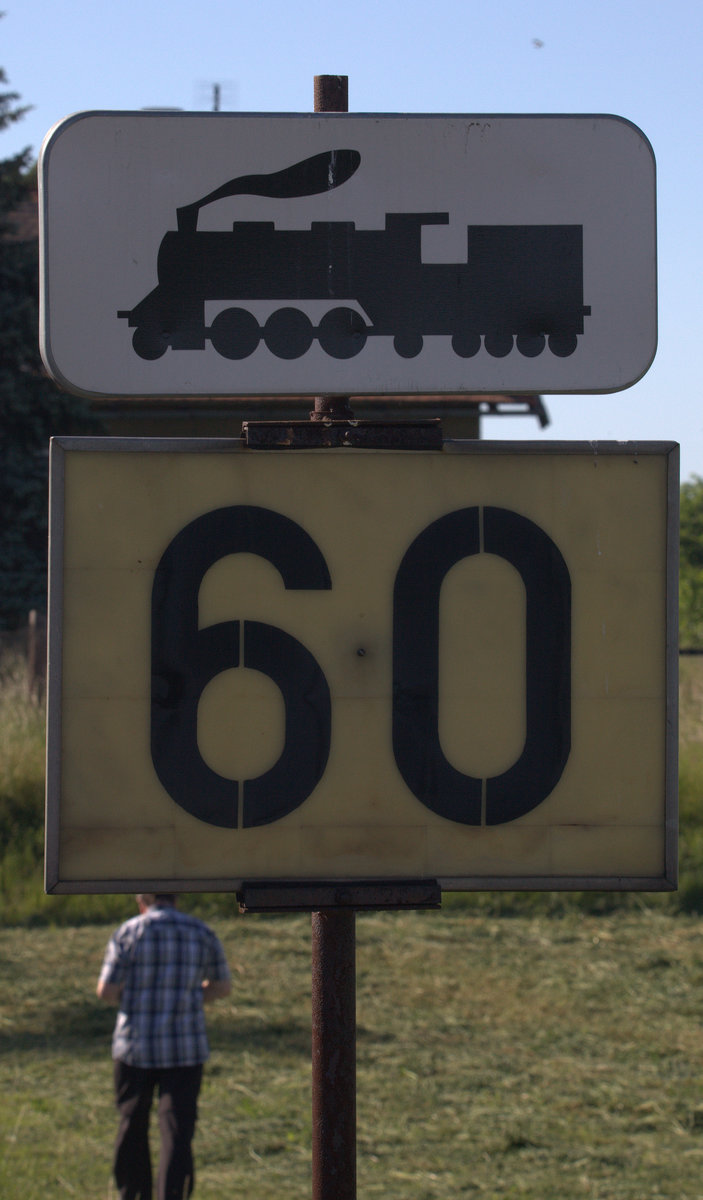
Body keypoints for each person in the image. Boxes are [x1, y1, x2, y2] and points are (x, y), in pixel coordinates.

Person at [96, 893, 231, 1200]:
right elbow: (223, 986)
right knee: (177, 1131)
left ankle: (133, 1193)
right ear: (177, 898)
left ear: (142, 900)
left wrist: (134, 998)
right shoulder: (201, 932)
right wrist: (193, 997)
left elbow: (106, 990)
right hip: (185, 1047)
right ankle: (173, 1193)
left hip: (135, 1046)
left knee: (132, 1124)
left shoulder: (129, 933)